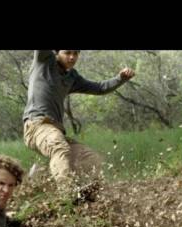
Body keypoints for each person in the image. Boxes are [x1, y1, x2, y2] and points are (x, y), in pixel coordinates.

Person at [23, 50, 135, 192]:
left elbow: (99, 88)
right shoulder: (44, 61)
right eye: (67, 52)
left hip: (55, 130)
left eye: (75, 53)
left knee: (90, 159)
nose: (72, 57)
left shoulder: (72, 77)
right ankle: (68, 196)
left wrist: (120, 78)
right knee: (59, 147)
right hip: (36, 126)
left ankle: (42, 177)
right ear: (57, 53)